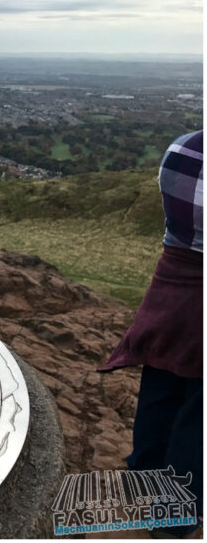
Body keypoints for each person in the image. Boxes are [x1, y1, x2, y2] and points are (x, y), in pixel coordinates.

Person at [101, 130, 203, 537]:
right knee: (199, 416)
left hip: (171, 291)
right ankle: (174, 518)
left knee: (161, 383)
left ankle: (143, 474)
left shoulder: (183, 148)